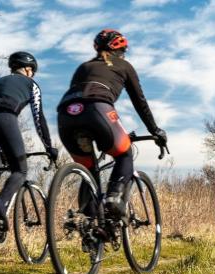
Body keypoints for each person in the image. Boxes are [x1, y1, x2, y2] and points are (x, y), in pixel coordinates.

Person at [56, 29, 167, 219]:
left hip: (66, 115)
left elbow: (78, 95)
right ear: (121, 49)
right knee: (124, 153)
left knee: (88, 170)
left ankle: (90, 226)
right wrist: (155, 130)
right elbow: (140, 102)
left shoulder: (84, 66)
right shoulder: (124, 65)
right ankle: (114, 198)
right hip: (97, 110)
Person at [0, 51, 58, 238]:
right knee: (20, 170)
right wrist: (49, 147)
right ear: (28, 69)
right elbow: (39, 118)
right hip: (4, 117)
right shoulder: (32, 85)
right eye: (32, 72)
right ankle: (0, 203)